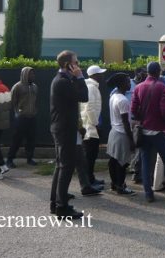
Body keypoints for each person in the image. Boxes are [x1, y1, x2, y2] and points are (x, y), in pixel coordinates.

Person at [131, 61, 165, 203]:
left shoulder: (139, 87)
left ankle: (148, 194)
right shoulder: (161, 87)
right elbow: (164, 109)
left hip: (144, 130)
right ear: (159, 72)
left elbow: (133, 110)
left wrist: (142, 119)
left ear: (147, 72)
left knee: (146, 162)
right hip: (158, 131)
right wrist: (164, 124)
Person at [49, 50, 88, 219]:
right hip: (64, 129)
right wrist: (80, 77)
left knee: (61, 166)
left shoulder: (63, 80)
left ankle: (56, 202)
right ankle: (62, 207)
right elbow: (84, 96)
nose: (78, 66)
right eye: (76, 63)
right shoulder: (62, 82)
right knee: (66, 167)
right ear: (68, 65)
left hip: (63, 127)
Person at [106, 73, 136, 195]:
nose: (130, 84)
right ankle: (120, 186)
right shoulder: (123, 100)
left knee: (113, 161)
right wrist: (131, 140)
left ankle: (114, 184)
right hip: (121, 134)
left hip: (114, 132)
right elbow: (126, 123)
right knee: (122, 163)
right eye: (128, 82)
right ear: (121, 84)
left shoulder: (114, 96)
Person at [6, 67, 38, 168]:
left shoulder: (35, 87)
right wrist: (17, 113)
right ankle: (9, 160)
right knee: (16, 139)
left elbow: (35, 101)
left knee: (31, 139)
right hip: (21, 118)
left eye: (33, 74)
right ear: (25, 74)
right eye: (30, 74)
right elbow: (12, 101)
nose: (33, 76)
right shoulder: (17, 86)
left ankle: (29, 158)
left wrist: (34, 111)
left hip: (32, 117)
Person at [80, 65, 106, 187]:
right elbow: (90, 108)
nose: (102, 75)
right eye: (100, 73)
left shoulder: (92, 87)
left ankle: (91, 178)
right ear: (94, 75)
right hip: (90, 128)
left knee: (92, 156)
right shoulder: (91, 88)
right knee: (89, 156)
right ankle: (88, 181)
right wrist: (96, 124)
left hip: (91, 126)